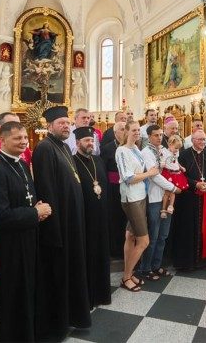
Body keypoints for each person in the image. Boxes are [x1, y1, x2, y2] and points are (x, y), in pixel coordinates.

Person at [0, 121, 50, 341]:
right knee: (14, 297)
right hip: (10, 248)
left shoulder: (21, 163)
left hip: (28, 240)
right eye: (17, 138)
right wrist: (34, 213)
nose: (23, 142)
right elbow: (0, 217)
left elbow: (26, 197)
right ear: (2, 140)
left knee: (28, 293)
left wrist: (36, 210)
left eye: (24, 138)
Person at [32, 106, 91, 341]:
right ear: (49, 126)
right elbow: (46, 191)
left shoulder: (64, 147)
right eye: (61, 123)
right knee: (59, 274)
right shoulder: (44, 149)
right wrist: (54, 230)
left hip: (72, 223)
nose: (66, 126)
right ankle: (58, 324)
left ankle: (72, 316)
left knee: (72, 271)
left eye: (68, 123)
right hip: (59, 227)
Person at [115, 120, 159, 291]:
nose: (136, 133)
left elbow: (139, 173)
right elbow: (128, 178)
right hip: (131, 198)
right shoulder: (122, 150)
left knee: (131, 237)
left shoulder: (136, 149)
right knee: (144, 241)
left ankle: (129, 273)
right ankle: (126, 276)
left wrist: (146, 172)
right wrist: (149, 173)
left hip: (141, 195)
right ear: (126, 131)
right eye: (133, 130)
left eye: (137, 131)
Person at [72, 127, 112, 308]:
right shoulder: (72, 162)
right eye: (87, 140)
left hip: (102, 216)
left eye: (92, 140)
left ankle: (102, 294)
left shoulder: (98, 160)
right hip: (85, 218)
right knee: (88, 255)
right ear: (78, 142)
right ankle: (88, 295)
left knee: (102, 254)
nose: (90, 143)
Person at [139, 125, 182, 281]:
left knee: (163, 235)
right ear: (149, 136)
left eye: (160, 135)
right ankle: (145, 268)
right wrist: (173, 187)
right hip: (154, 198)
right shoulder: (145, 153)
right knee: (153, 236)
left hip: (167, 196)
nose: (159, 137)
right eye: (155, 135)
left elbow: (172, 165)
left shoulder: (164, 150)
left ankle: (157, 266)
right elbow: (154, 175)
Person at [173, 130, 206, 270]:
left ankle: (204, 260)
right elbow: (179, 176)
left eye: (204, 140)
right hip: (188, 199)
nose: (202, 142)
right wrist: (196, 184)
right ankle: (188, 262)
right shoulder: (184, 155)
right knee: (188, 228)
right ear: (192, 140)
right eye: (199, 140)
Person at [102, 121, 128, 258]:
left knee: (127, 219)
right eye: (122, 129)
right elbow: (103, 170)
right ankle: (116, 250)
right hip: (113, 189)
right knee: (115, 218)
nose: (125, 132)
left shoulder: (131, 147)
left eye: (126, 129)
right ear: (115, 132)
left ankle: (127, 248)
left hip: (129, 187)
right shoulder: (107, 148)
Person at [160, 135, 189, 217]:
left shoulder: (176, 152)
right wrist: (162, 164)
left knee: (173, 191)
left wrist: (181, 167)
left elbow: (176, 161)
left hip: (176, 173)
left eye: (178, 148)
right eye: (176, 148)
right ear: (169, 144)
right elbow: (162, 161)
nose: (177, 150)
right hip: (169, 173)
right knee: (167, 192)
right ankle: (163, 209)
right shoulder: (165, 152)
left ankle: (171, 206)